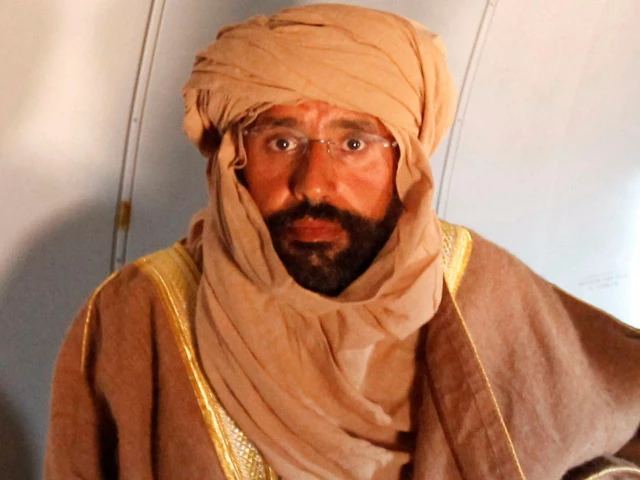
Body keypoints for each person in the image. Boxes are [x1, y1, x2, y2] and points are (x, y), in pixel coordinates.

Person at [45, 4, 640, 479]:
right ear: (235, 160)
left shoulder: (473, 282)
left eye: (353, 145)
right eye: (281, 143)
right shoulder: (140, 314)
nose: (313, 183)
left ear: (405, 162)